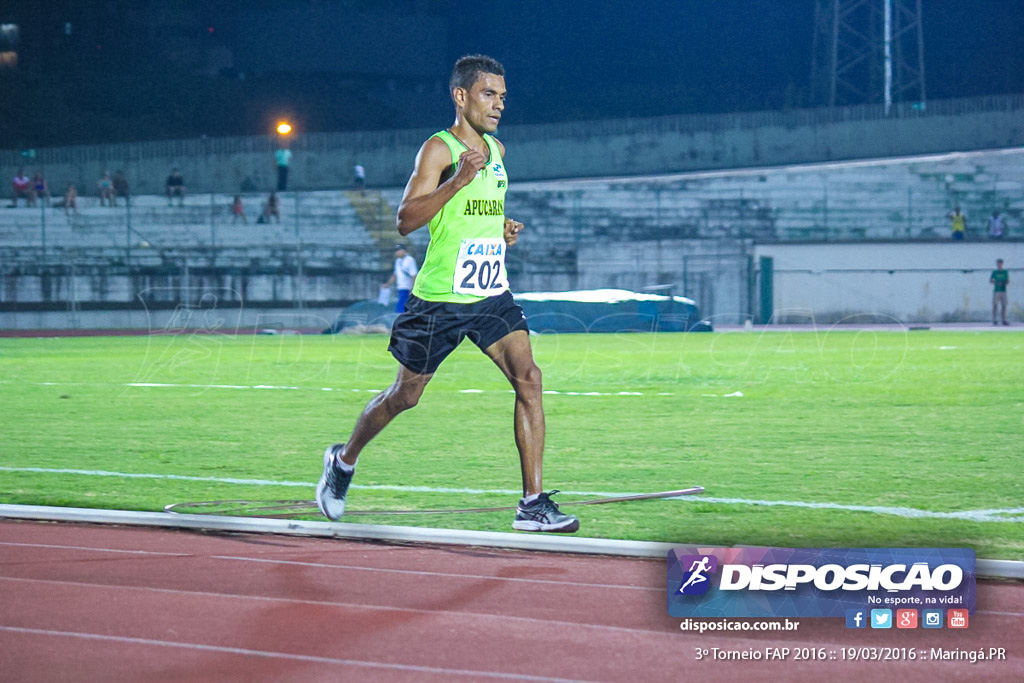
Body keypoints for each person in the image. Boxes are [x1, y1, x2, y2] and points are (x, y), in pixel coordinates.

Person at [316, 54, 579, 533]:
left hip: (489, 294)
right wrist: (457, 180)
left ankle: (532, 504)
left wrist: (502, 228)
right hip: (439, 298)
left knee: (530, 377)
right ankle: (343, 460)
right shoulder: (437, 150)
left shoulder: (497, 151)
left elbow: (476, 213)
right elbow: (405, 220)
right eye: (488, 94)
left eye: (502, 95)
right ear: (461, 96)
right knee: (405, 395)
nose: (498, 104)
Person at [382, 244, 418, 312]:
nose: (396, 252)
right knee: (401, 305)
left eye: (398, 250)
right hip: (400, 287)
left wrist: (413, 288)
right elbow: (395, 274)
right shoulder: (398, 261)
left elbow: (414, 275)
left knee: (402, 306)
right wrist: (387, 284)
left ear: (404, 251)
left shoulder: (410, 260)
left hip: (407, 288)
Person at [991, 259, 1010, 326]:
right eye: (998, 264)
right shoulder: (994, 272)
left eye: (1000, 264)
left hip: (1003, 291)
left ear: (1002, 264)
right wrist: (996, 282)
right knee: (995, 305)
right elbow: (991, 280)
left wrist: (1004, 283)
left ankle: (1004, 320)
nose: (999, 265)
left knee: (1004, 306)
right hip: (996, 291)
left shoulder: (1005, 272)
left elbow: (1008, 281)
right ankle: (994, 320)